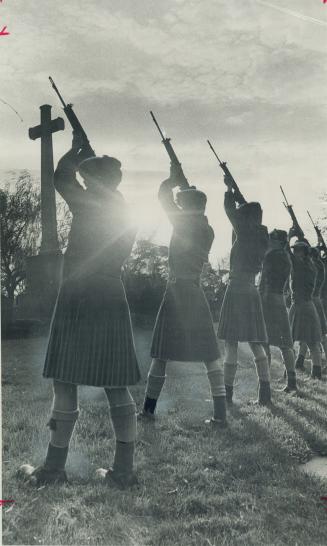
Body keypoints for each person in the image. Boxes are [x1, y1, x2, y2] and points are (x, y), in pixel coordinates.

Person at [19, 132, 141, 487]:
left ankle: (53, 470)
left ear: (96, 182)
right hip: (111, 293)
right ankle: (123, 472)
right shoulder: (126, 210)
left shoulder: (89, 203)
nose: (83, 185)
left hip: (80, 292)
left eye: (88, 180)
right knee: (116, 382)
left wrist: (75, 150)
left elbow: (60, 177)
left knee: (65, 379)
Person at [142, 163, 227, 426]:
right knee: (210, 355)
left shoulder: (183, 223)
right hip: (195, 291)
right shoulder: (208, 229)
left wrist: (173, 178)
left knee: (161, 355)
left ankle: (147, 412)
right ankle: (220, 415)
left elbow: (162, 197)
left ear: (188, 206)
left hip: (177, 292)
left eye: (182, 203)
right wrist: (183, 186)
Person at [217, 175, 271, 405]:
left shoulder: (245, 231)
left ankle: (227, 394)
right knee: (255, 342)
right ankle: (265, 391)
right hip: (251, 290)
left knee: (231, 342)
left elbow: (229, 209)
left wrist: (229, 190)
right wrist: (240, 195)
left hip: (237, 288)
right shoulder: (262, 234)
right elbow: (247, 214)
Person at [259, 230, 297, 392]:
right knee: (284, 343)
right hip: (279, 299)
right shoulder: (286, 257)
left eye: (271, 239)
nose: (268, 240)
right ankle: (292, 383)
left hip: (268, 299)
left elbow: (265, 280)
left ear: (279, 242)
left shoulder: (271, 256)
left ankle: (264, 385)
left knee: (264, 342)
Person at [288, 237, 322, 379]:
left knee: (292, 340)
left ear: (304, 253)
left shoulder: (301, 265)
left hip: (301, 306)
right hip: (305, 305)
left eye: (297, 250)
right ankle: (316, 373)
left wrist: (287, 239)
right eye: (294, 250)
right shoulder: (310, 266)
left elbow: (289, 256)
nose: (294, 253)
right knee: (311, 341)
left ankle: (290, 372)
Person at [295, 246, 327, 372]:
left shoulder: (314, 266)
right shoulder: (318, 265)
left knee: (318, 335)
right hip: (316, 300)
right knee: (309, 334)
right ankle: (299, 360)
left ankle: (301, 361)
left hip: (313, 300)